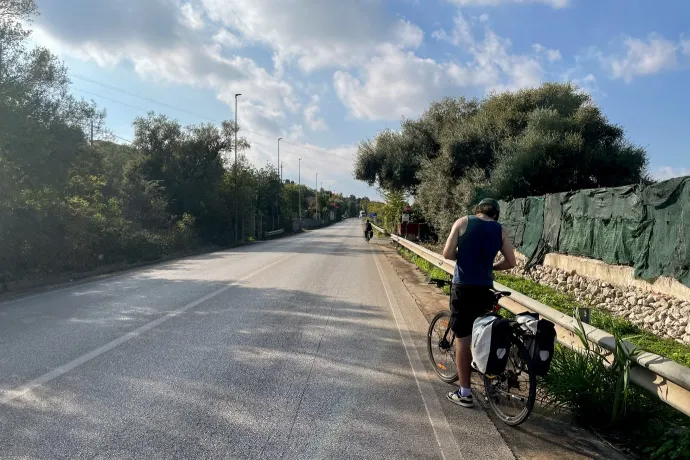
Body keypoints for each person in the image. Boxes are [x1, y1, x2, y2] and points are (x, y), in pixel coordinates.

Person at [441, 198, 516, 408]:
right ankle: (490, 382)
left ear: (478, 210)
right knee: (484, 334)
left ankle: (465, 393)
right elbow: (511, 261)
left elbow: (447, 253)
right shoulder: (500, 230)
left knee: (463, 339)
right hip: (485, 290)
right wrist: (490, 267)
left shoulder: (462, 222)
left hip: (463, 288)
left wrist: (465, 258)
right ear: (495, 214)